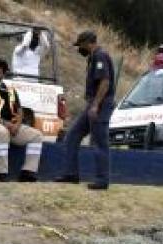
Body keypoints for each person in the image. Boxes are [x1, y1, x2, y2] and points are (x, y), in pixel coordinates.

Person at [56, 30, 116, 191]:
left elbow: (105, 82)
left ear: (88, 42)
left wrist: (96, 105)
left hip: (100, 104)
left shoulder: (100, 56)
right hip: (93, 104)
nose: (79, 48)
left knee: (99, 142)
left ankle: (102, 180)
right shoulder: (93, 57)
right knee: (72, 135)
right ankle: (71, 174)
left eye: (80, 45)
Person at [0, 58, 43, 182]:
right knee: (1, 132)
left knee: (36, 135)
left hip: (10, 126)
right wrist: (4, 123)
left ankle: (28, 172)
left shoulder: (10, 90)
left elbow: (20, 110)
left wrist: (17, 125)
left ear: (3, 74)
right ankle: (2, 173)